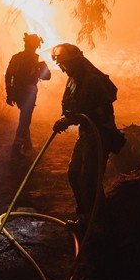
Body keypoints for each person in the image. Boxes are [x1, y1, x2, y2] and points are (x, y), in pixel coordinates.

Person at [51, 43, 125, 230]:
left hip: (99, 135)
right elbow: (72, 108)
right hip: (86, 134)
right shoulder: (73, 80)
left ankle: (98, 221)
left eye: (64, 64)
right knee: (74, 173)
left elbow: (100, 112)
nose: (62, 68)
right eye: (60, 65)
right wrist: (66, 118)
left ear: (75, 62)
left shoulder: (92, 80)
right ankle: (85, 216)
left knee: (89, 177)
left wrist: (70, 119)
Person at [5, 33, 52, 157]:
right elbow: (47, 77)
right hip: (29, 93)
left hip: (16, 93)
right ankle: (16, 147)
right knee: (25, 119)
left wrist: (9, 94)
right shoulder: (34, 60)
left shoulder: (16, 57)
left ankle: (27, 144)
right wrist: (42, 68)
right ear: (36, 45)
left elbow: (8, 75)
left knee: (24, 116)